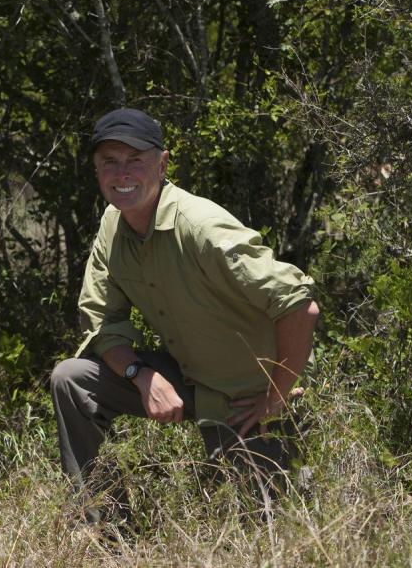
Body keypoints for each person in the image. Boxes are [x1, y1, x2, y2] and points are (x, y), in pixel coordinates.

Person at [51, 108, 319, 521]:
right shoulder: (113, 224)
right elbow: (103, 324)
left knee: (260, 526)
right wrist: (142, 376)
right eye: (110, 162)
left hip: (243, 398)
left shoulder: (202, 226)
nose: (122, 174)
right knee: (71, 378)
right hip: (188, 376)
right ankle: (104, 528)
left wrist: (276, 394)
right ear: (96, 170)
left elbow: (300, 305)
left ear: (162, 163)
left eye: (135, 161)